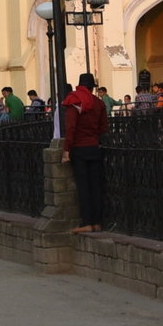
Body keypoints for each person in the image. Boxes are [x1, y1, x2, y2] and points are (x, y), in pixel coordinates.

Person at [62, 71, 109, 235]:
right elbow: (103, 127)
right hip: (94, 147)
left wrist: (66, 150)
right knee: (96, 186)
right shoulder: (99, 103)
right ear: (92, 87)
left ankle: (87, 222)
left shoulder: (74, 100)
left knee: (83, 186)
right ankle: (97, 222)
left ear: (80, 85)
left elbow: (71, 127)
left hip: (79, 148)